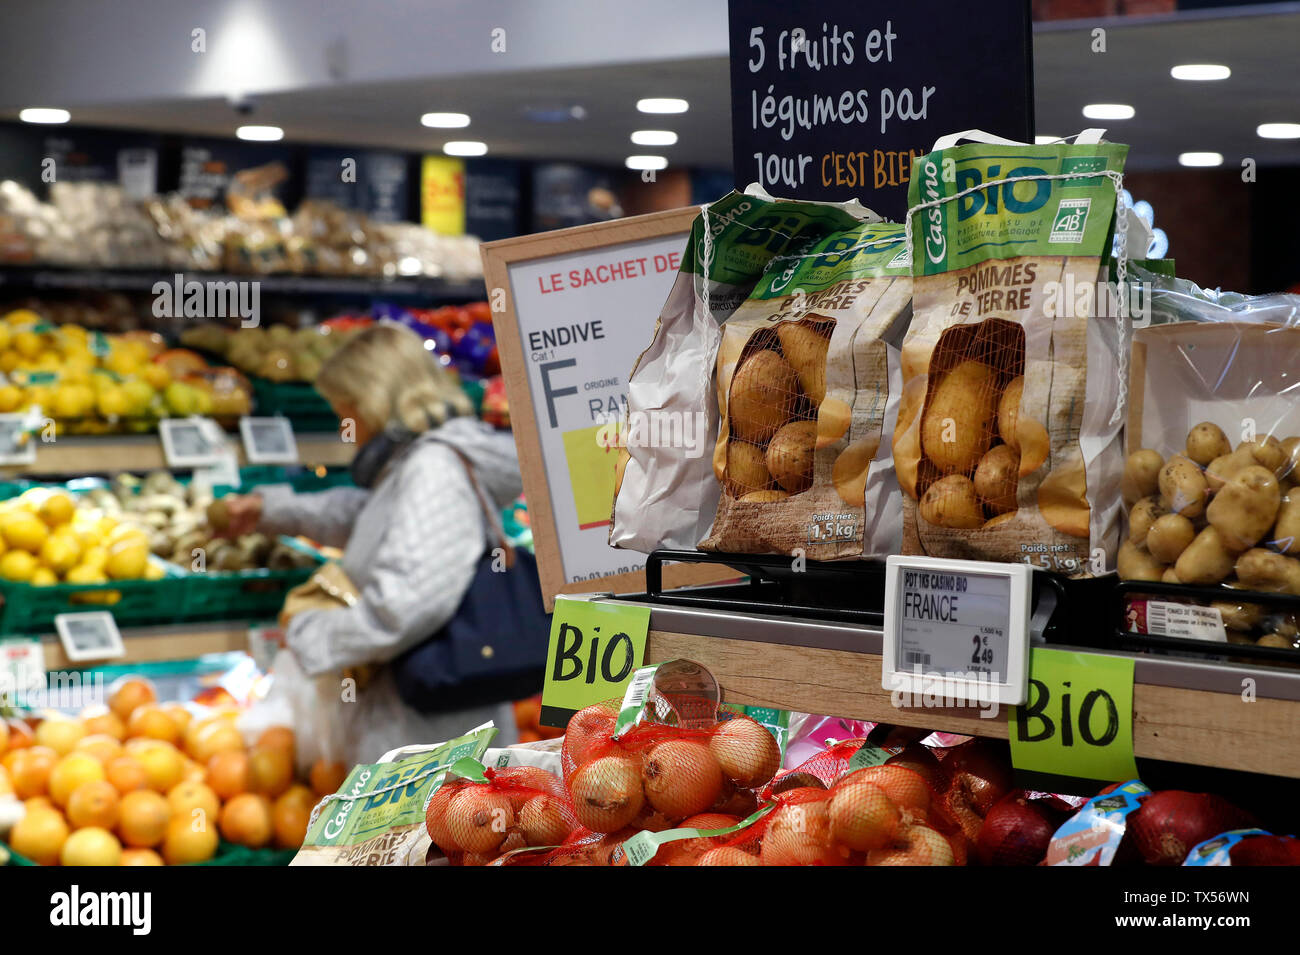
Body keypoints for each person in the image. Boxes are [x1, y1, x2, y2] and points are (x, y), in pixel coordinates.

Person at [224, 322, 523, 762]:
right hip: (424, 725)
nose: (343, 426)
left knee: (438, 833)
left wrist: (313, 636)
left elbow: (403, 604)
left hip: (436, 748)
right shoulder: (414, 463)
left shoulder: (433, 471)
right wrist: (270, 510)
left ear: (372, 402)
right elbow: (371, 518)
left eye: (343, 410)